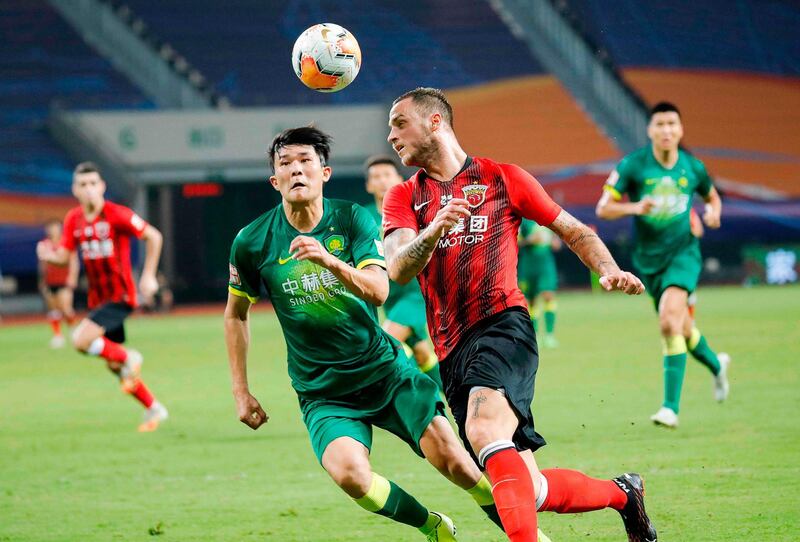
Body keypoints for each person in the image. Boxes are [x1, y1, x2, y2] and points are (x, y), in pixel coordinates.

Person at [224, 126, 552, 542]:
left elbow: (379, 292)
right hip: (324, 390)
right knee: (350, 476)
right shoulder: (252, 242)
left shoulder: (353, 218)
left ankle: (528, 536)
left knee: (456, 462)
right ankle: (430, 526)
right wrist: (241, 391)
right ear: (275, 181)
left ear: (324, 173)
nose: (296, 170)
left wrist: (329, 262)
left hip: (385, 372)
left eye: (306, 160)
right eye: (285, 164)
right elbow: (236, 314)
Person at [382, 87, 657, 542]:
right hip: (451, 351)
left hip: (503, 324)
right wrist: (433, 229)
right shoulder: (404, 196)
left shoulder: (502, 178)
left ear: (435, 122)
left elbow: (572, 230)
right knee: (528, 490)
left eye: (399, 123)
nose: (391, 135)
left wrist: (609, 269)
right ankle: (624, 494)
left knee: (483, 426)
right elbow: (398, 267)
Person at [596, 102, 730, 429]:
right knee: (681, 327)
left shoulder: (693, 168)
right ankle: (716, 365)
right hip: (649, 260)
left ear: (681, 129)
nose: (667, 130)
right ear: (650, 130)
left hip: (683, 254)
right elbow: (603, 208)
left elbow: (712, 197)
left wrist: (714, 213)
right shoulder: (633, 166)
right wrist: (635, 207)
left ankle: (670, 408)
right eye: (660, 124)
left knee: (670, 322)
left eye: (672, 124)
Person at [37, 162, 168, 432]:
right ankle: (154, 407)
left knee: (81, 340)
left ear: (102, 187)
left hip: (120, 296)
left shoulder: (116, 214)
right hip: (98, 300)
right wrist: (50, 256)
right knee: (113, 364)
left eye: (93, 184)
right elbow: (64, 256)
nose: (89, 190)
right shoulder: (73, 219)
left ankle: (130, 356)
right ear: (75, 189)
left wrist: (148, 276)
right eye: (83, 185)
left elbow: (153, 236)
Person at [364, 155, 444, 390]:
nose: (381, 181)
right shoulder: (363, 217)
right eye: (375, 177)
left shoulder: (414, 210)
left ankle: (420, 399)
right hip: (390, 297)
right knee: (421, 354)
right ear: (368, 185)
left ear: (399, 179)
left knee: (386, 345)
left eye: (387, 175)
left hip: (416, 293)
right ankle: (451, 395)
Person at [517, 219, 561, 348]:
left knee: (548, 295)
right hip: (528, 265)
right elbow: (515, 241)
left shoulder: (546, 216)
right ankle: (534, 335)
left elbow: (556, 241)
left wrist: (554, 241)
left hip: (546, 264)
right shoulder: (523, 220)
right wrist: (530, 240)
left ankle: (549, 335)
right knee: (531, 301)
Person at [37, 219, 79, 348]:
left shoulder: (66, 242)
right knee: (53, 310)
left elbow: (73, 261)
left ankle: (73, 332)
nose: (52, 229)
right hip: (50, 281)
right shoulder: (44, 244)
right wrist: (42, 280)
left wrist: (73, 277)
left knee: (66, 309)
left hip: (64, 280)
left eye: (55, 227)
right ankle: (57, 336)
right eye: (50, 227)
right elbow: (42, 264)